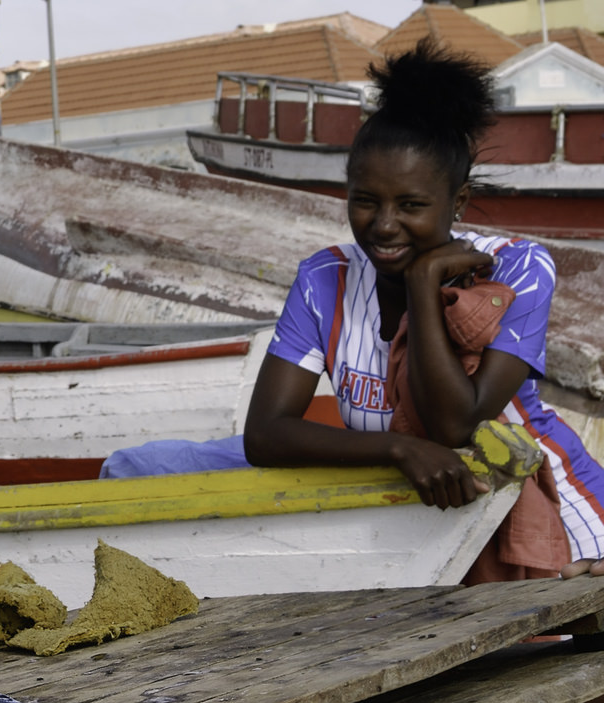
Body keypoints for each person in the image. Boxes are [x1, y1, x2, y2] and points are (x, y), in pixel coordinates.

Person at [242, 39, 604, 582]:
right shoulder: (324, 278)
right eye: (365, 201)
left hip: (555, 520)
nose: (383, 225)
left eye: (411, 205)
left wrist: (421, 284)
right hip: (422, 530)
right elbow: (265, 434)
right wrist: (396, 447)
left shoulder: (519, 267)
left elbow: (458, 422)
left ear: (456, 203)